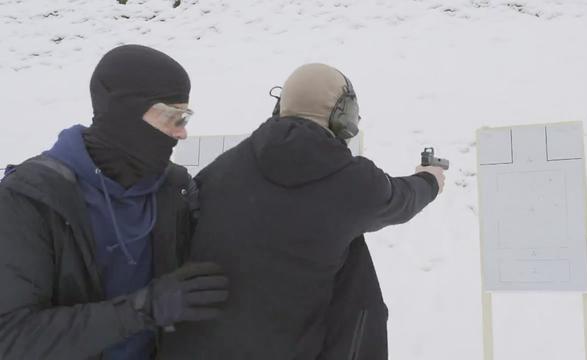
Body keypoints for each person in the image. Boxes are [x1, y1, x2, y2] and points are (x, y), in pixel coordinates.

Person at [158, 63, 446, 360]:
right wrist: (430, 179)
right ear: (342, 116)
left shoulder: (224, 168)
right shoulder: (351, 181)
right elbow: (402, 199)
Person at [0, 45, 229, 360]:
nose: (182, 133)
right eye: (172, 117)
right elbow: (11, 337)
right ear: (126, 113)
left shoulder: (174, 190)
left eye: (185, 116)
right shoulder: (31, 199)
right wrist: (145, 308)